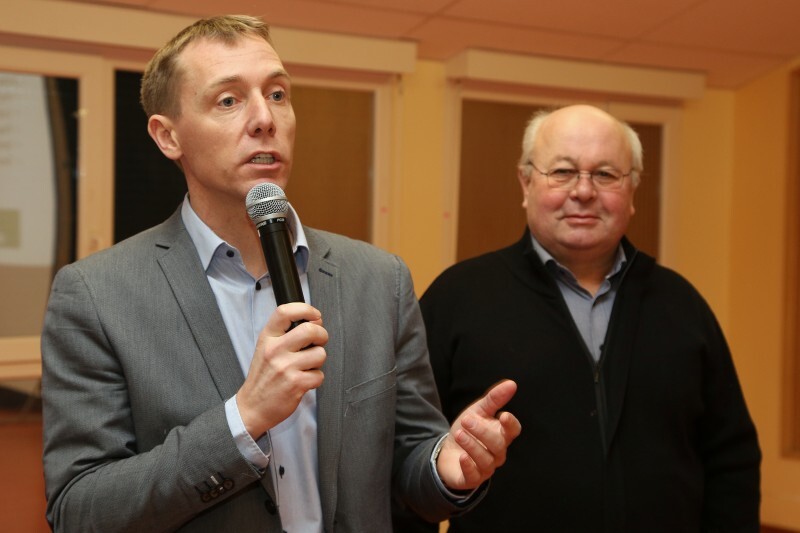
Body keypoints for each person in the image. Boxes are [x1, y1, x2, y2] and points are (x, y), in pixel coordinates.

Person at [40, 15, 520, 533]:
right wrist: (242, 420)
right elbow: (80, 510)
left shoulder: (379, 279)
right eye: (229, 100)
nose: (264, 118)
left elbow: (409, 457)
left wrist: (446, 467)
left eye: (277, 94)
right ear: (168, 136)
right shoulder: (96, 295)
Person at [417, 105, 761, 532]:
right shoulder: (458, 298)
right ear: (525, 182)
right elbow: (410, 455)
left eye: (605, 174)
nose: (583, 191)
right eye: (562, 172)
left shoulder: (682, 307)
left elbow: (731, 460)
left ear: (632, 189)